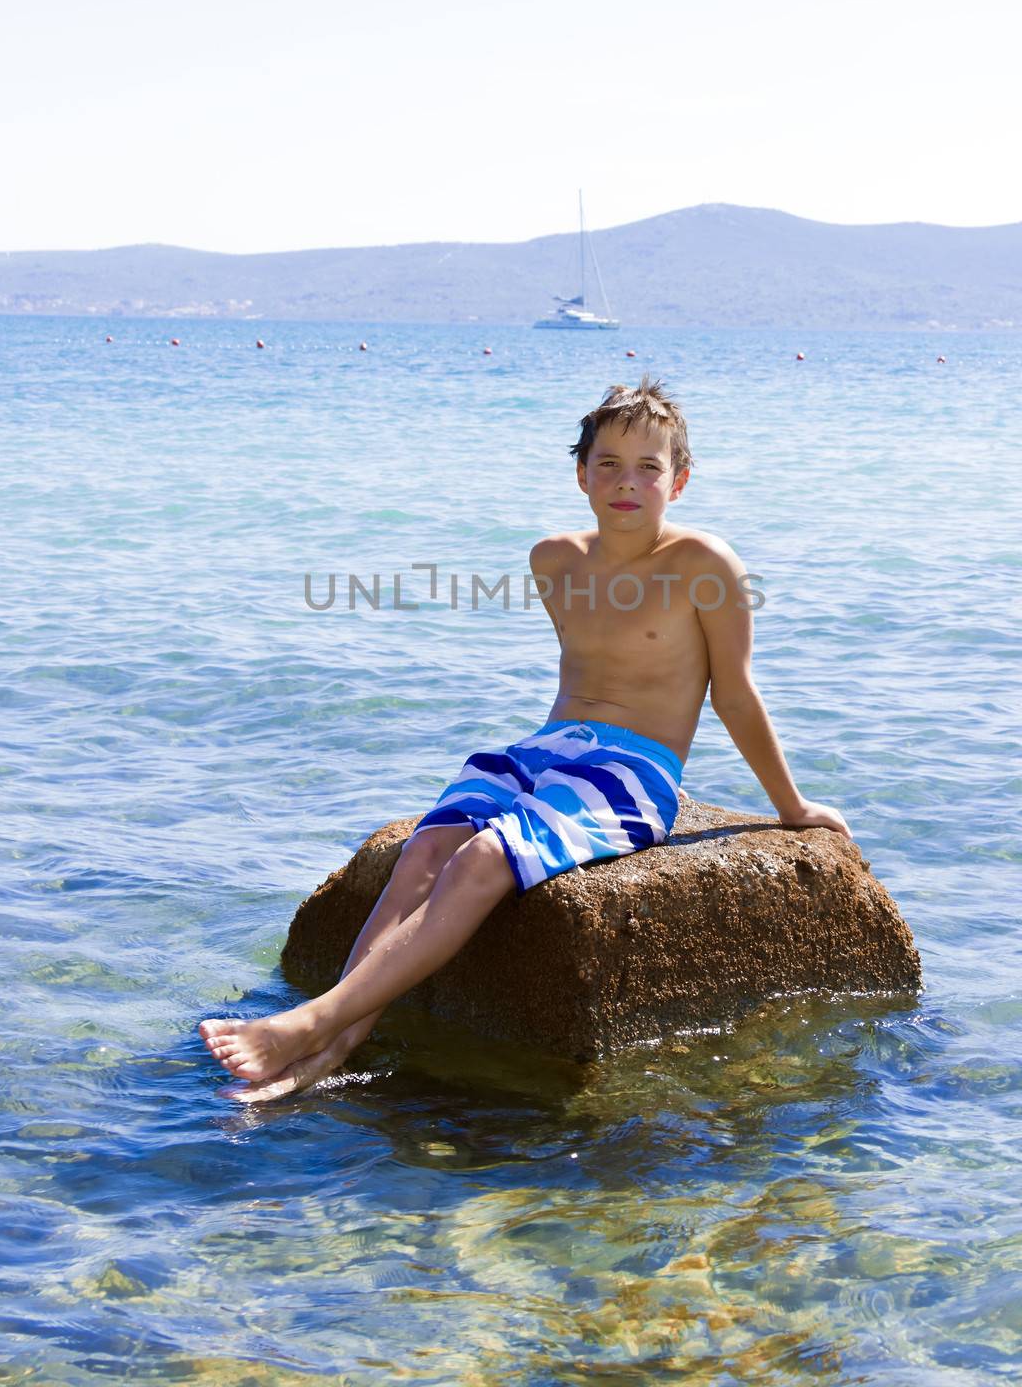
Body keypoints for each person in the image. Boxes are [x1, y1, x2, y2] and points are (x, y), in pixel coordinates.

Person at [200, 377, 850, 1101]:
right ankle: (339, 1039)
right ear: (581, 474)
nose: (626, 483)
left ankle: (311, 1025)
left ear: (681, 480)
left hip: (636, 766)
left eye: (648, 467)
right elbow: (587, 676)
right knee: (425, 847)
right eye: (607, 464)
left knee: (485, 858)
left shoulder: (703, 564)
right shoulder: (554, 560)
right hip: (546, 749)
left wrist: (791, 808)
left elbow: (733, 694)